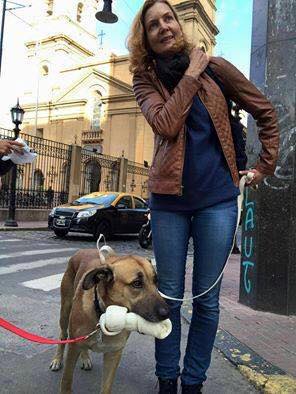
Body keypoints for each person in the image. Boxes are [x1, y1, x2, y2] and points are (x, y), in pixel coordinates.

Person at [127, 1, 279, 393]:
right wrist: (191, 75)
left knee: (208, 303)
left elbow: (264, 110)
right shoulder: (145, 79)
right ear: (145, 37)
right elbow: (165, 123)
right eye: (153, 24)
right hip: (168, 204)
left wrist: (264, 165)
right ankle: (166, 381)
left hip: (217, 201)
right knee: (170, 300)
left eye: (168, 19)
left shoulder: (216, 67)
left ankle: (193, 382)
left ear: (178, 24)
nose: (163, 27)